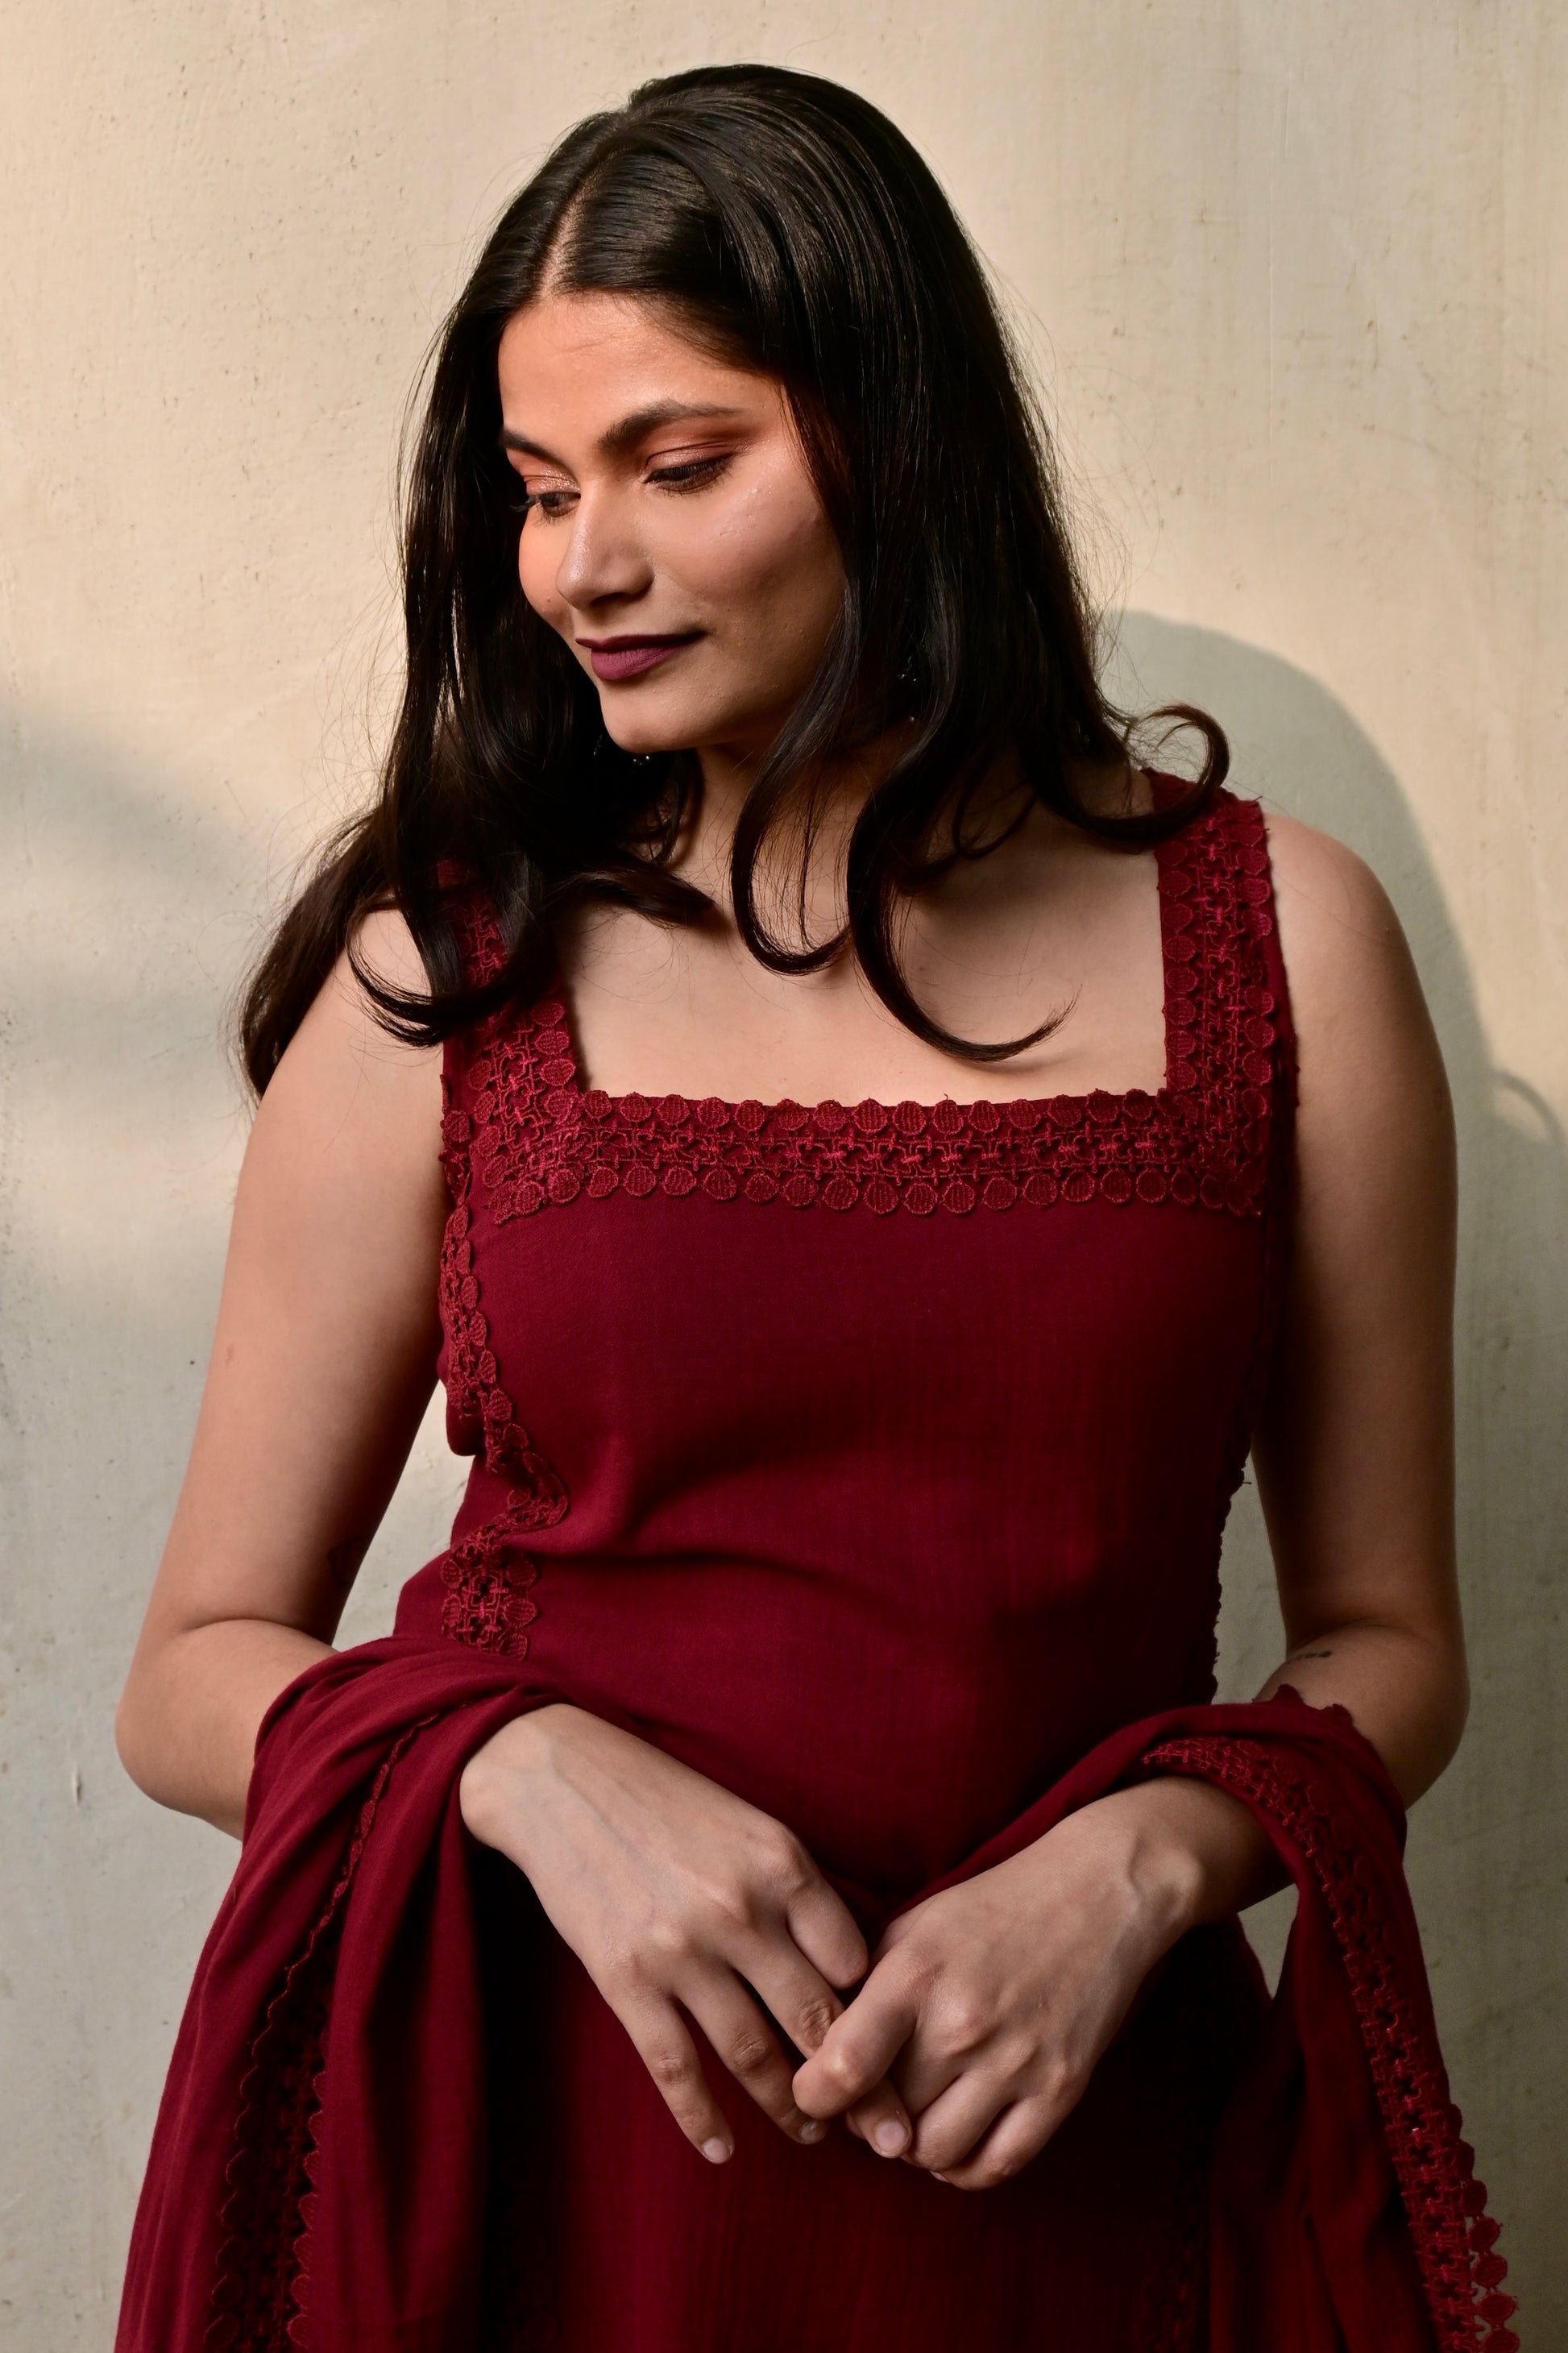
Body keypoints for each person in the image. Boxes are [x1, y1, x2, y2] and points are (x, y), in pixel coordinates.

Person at [113, 63, 1516, 2353]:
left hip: (1077, 2172)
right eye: (538, 489)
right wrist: (522, 1767)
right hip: (528, 2172)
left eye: (678, 466)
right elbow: (192, 1671)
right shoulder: (450, 973)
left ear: (902, 444)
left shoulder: (1279, 946)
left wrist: (1146, 1861)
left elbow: (1390, 1640)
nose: (583, 565)